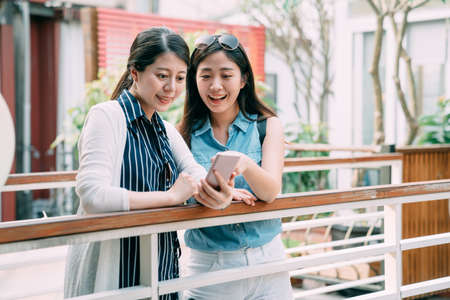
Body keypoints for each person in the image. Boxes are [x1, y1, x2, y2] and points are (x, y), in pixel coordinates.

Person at [64, 27, 234, 299]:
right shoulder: (106, 117)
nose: (172, 88)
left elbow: (195, 175)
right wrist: (169, 197)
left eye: (180, 78)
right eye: (162, 76)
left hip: (162, 267)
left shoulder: (165, 129)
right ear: (135, 72)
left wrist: (221, 191)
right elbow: (93, 195)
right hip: (118, 270)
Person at [178, 34, 293, 299]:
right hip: (209, 266)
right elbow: (180, 198)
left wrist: (244, 163)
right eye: (205, 76)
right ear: (195, 81)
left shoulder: (267, 126)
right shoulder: (181, 135)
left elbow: (270, 191)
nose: (215, 86)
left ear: (243, 80)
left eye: (226, 75)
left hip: (269, 260)